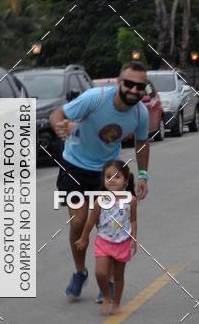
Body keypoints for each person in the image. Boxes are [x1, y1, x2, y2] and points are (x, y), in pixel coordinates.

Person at [50, 61, 150, 300]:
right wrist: (58, 126)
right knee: (78, 221)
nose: (134, 90)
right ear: (119, 82)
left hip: (107, 172)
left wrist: (143, 175)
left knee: (109, 226)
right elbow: (59, 114)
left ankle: (108, 281)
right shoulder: (95, 98)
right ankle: (80, 271)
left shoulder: (140, 113)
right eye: (129, 84)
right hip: (74, 166)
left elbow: (142, 142)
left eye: (140, 86)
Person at [74, 160, 137, 315]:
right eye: (108, 177)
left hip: (122, 242)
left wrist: (133, 239)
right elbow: (90, 222)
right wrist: (84, 238)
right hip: (103, 241)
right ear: (103, 180)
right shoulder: (100, 201)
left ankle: (116, 303)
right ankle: (107, 296)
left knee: (118, 276)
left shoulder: (131, 201)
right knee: (100, 273)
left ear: (125, 181)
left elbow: (133, 221)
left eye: (117, 177)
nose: (112, 180)